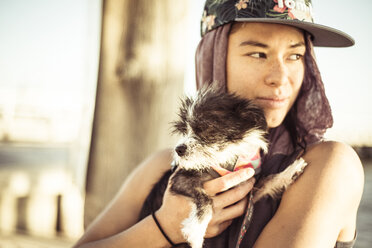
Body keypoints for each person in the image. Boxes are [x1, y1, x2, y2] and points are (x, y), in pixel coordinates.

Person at [73, 0, 364, 247]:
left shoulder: (327, 166)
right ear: (213, 55)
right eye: (258, 53)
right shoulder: (163, 166)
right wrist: (163, 227)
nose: (280, 76)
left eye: (295, 55)